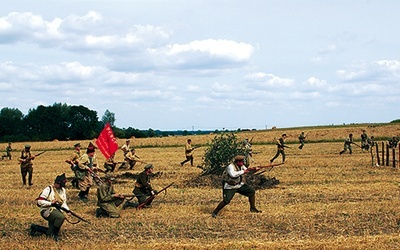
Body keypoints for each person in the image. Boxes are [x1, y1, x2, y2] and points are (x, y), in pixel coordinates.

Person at [30, 173, 71, 241]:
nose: (61, 187)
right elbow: (39, 202)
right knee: (60, 217)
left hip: (56, 210)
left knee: (49, 232)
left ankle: (36, 228)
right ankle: (55, 235)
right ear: (56, 183)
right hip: (46, 210)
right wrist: (51, 203)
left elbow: (63, 202)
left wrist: (68, 210)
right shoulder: (48, 189)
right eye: (60, 185)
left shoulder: (63, 190)